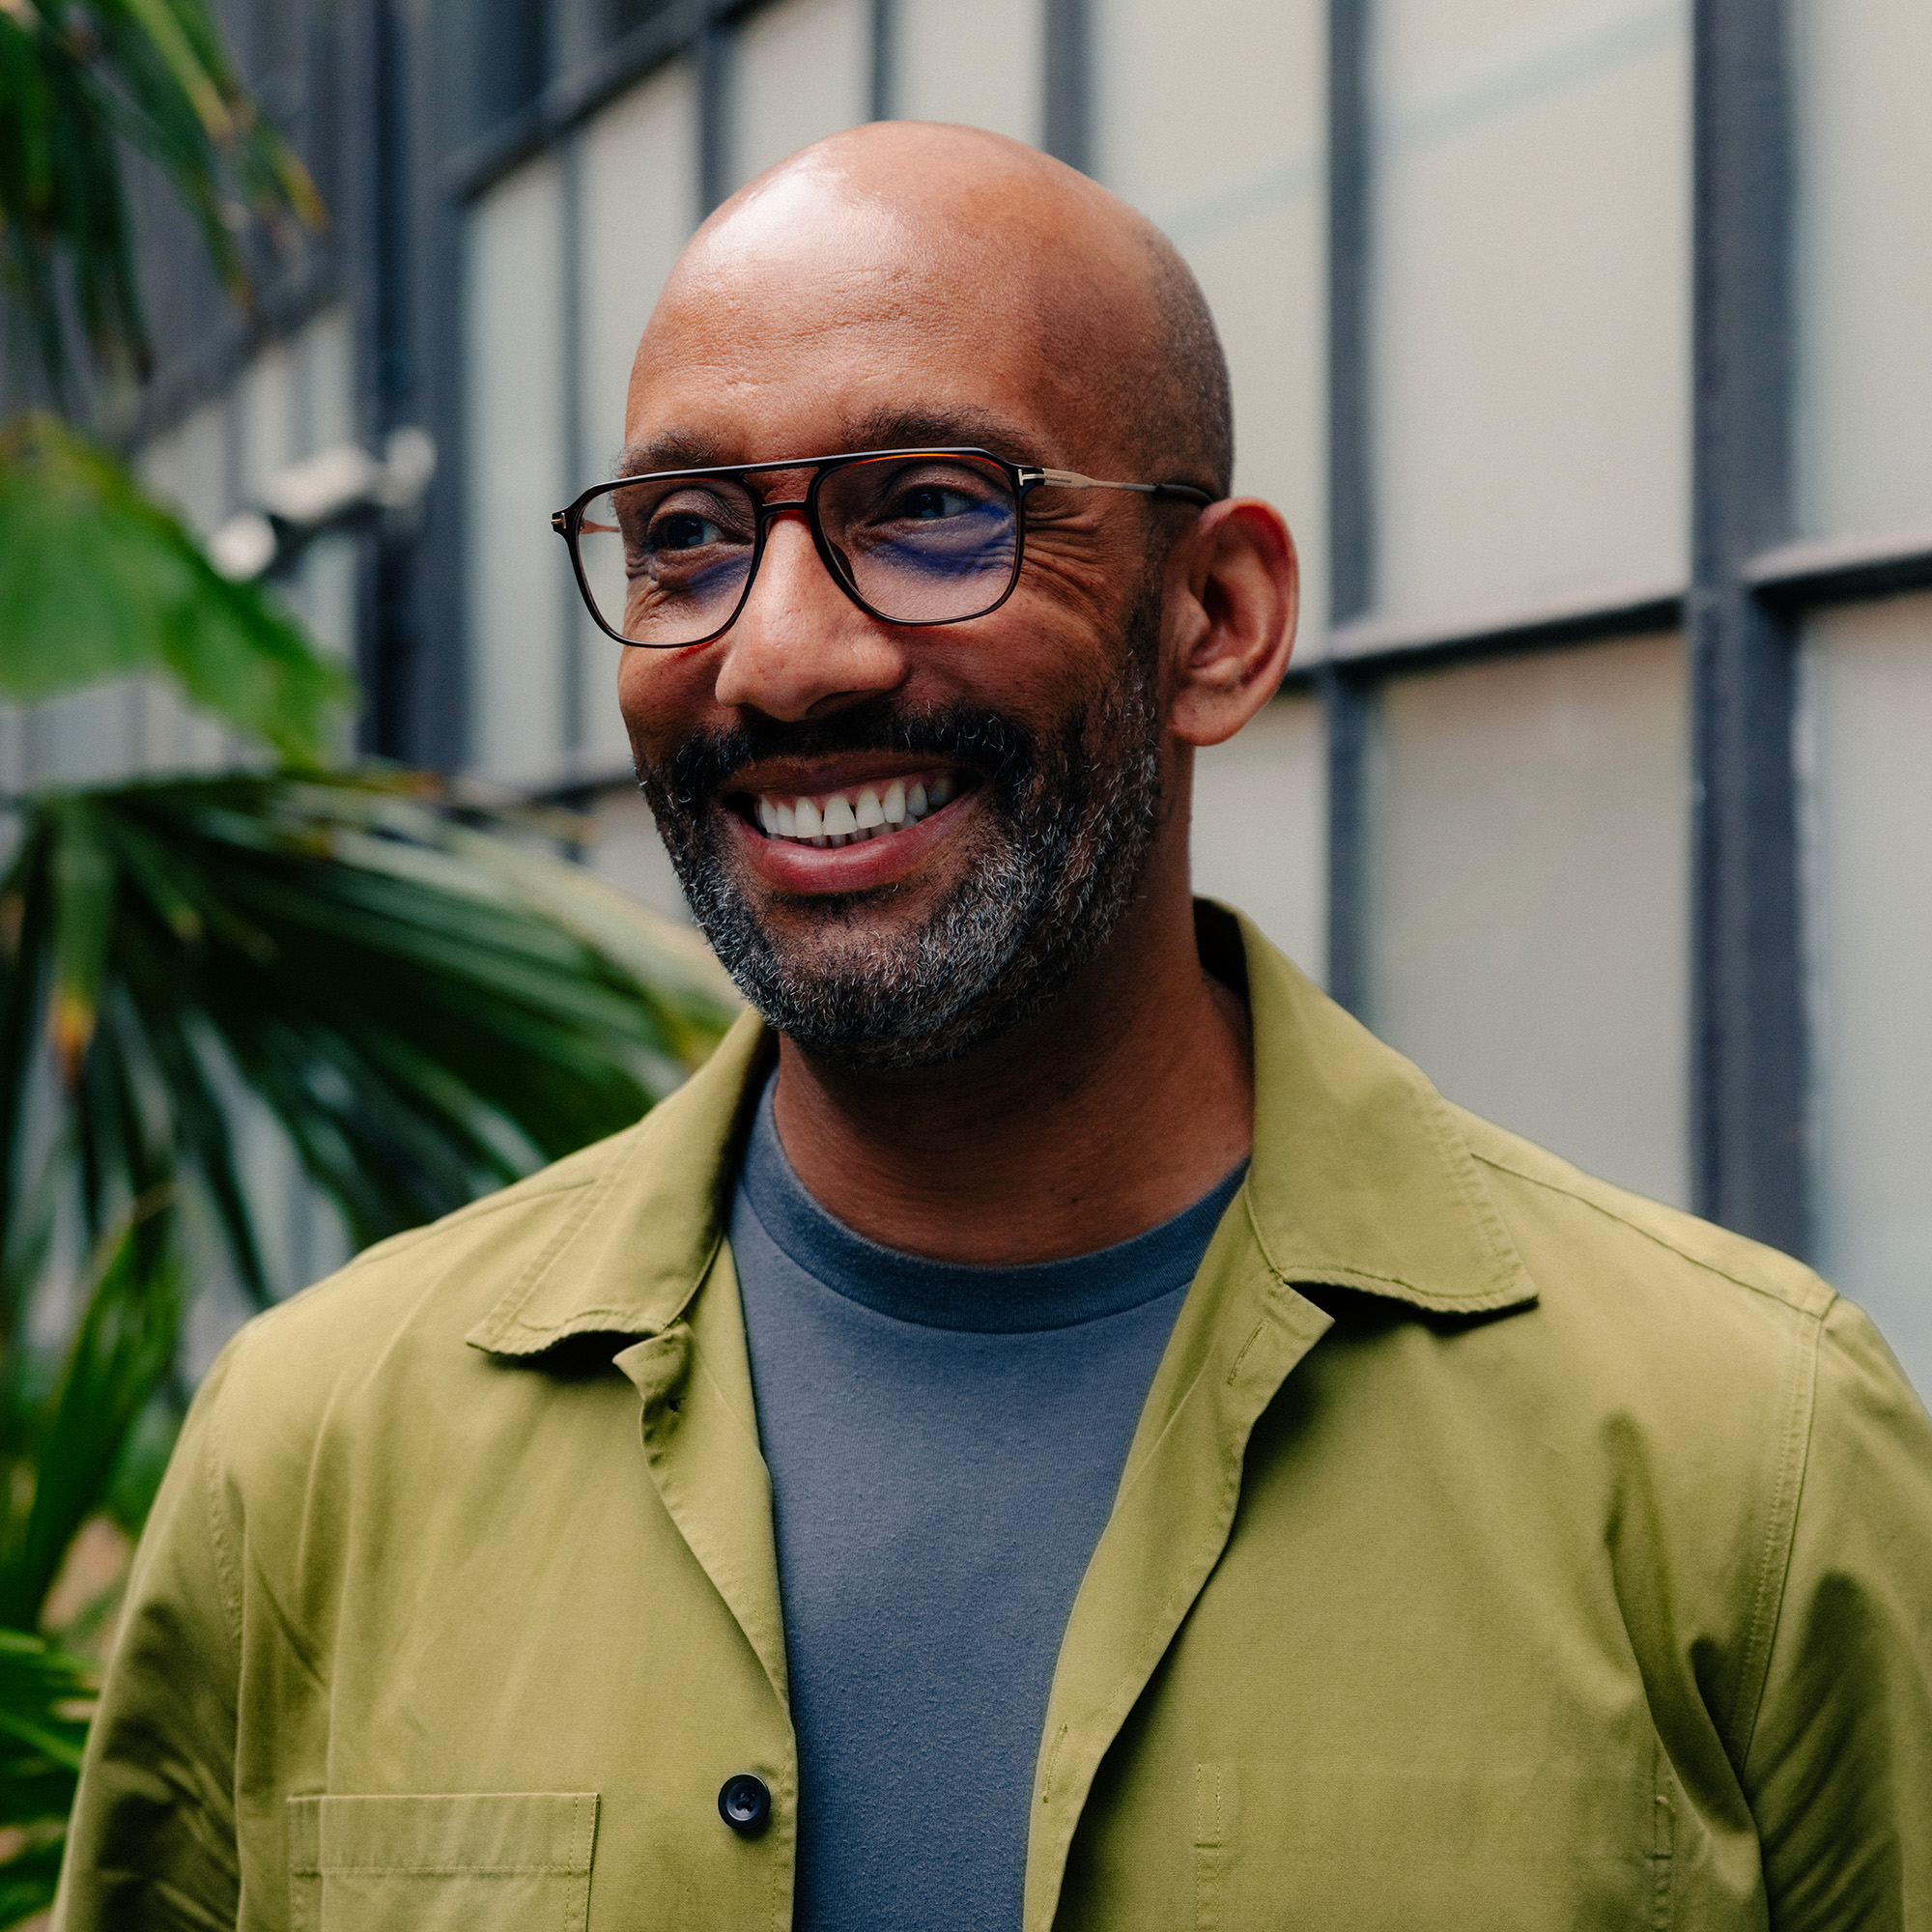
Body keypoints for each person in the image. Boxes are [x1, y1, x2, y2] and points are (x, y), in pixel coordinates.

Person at [55, 123, 1932, 1932]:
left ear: (1215, 615)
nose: (781, 655)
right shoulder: (320, 1452)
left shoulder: (1738, 1463)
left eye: (937, 509)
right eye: (685, 535)